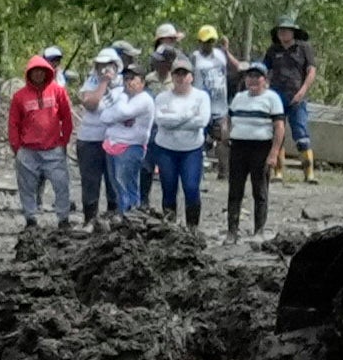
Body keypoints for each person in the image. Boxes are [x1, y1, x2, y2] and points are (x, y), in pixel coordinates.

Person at [146, 50, 220, 220]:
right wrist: (187, 117)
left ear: (191, 77)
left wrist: (174, 120)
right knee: (168, 188)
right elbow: (161, 121)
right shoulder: (162, 97)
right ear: (172, 77)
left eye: (184, 74)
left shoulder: (201, 97)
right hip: (166, 149)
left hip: (191, 149)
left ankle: (192, 227)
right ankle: (169, 226)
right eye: (177, 74)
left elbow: (201, 121)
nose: (180, 78)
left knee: (191, 188)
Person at [219, 50, 287, 236]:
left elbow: (279, 127)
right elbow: (228, 117)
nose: (253, 80)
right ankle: (232, 230)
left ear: (265, 80)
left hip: (261, 148)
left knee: (260, 191)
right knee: (235, 190)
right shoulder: (239, 98)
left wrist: (274, 153)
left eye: (257, 77)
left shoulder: (272, 98)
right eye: (250, 76)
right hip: (239, 147)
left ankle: (259, 230)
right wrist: (226, 132)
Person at [7, 46, 76, 225]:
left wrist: (63, 141)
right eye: (34, 72)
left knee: (61, 185)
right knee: (26, 187)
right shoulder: (19, 97)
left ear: (47, 72)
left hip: (53, 149)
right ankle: (30, 218)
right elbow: (13, 124)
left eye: (41, 71)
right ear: (29, 74)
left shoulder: (58, 91)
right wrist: (17, 148)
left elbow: (66, 118)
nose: (38, 75)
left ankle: (63, 218)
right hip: (28, 150)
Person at [89, 41, 145, 220]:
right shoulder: (118, 91)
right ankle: (122, 217)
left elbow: (120, 113)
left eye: (133, 78)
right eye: (127, 78)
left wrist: (116, 111)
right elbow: (104, 116)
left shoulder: (142, 98)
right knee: (117, 185)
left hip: (131, 145)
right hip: (113, 143)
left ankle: (132, 218)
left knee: (127, 185)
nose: (128, 81)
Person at [266, 18, 318, 169]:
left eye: (287, 30)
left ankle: (309, 173)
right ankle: (278, 172)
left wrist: (302, 91)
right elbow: (264, 71)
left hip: (297, 96)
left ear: (293, 32)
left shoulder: (303, 48)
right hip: (276, 97)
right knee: (277, 132)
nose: (283, 33)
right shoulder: (273, 50)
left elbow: (311, 71)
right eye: (280, 30)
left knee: (301, 133)